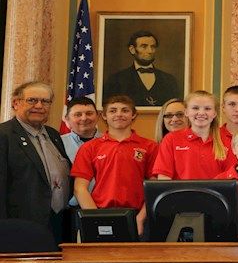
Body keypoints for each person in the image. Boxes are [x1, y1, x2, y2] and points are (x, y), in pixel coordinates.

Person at [71, 95, 158, 236]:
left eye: (125, 110)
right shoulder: (90, 147)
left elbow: (154, 188)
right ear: (104, 116)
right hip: (100, 211)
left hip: (138, 214)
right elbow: (79, 188)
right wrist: (96, 219)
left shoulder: (150, 146)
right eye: (112, 111)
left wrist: (141, 218)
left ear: (133, 115)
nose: (119, 114)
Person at [0, 81, 71, 244]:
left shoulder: (53, 135)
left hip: (58, 222)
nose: (39, 106)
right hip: (20, 227)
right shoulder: (4, 135)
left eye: (45, 101)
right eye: (32, 100)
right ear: (16, 103)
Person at [153, 91, 235, 180]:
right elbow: (164, 177)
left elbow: (231, 178)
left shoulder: (227, 140)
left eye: (207, 108)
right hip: (181, 193)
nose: (201, 113)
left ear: (214, 113)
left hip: (216, 194)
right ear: (186, 112)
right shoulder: (171, 139)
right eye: (195, 108)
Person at [102, 30, 180, 106]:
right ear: (132, 49)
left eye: (153, 47)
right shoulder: (116, 80)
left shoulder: (170, 80)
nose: (150, 51)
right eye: (144, 46)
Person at [61, 97, 101, 208]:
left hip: (103, 207)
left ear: (98, 116)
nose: (84, 118)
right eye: (78, 115)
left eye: (89, 113)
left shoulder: (110, 143)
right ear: (67, 119)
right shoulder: (56, 144)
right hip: (68, 210)